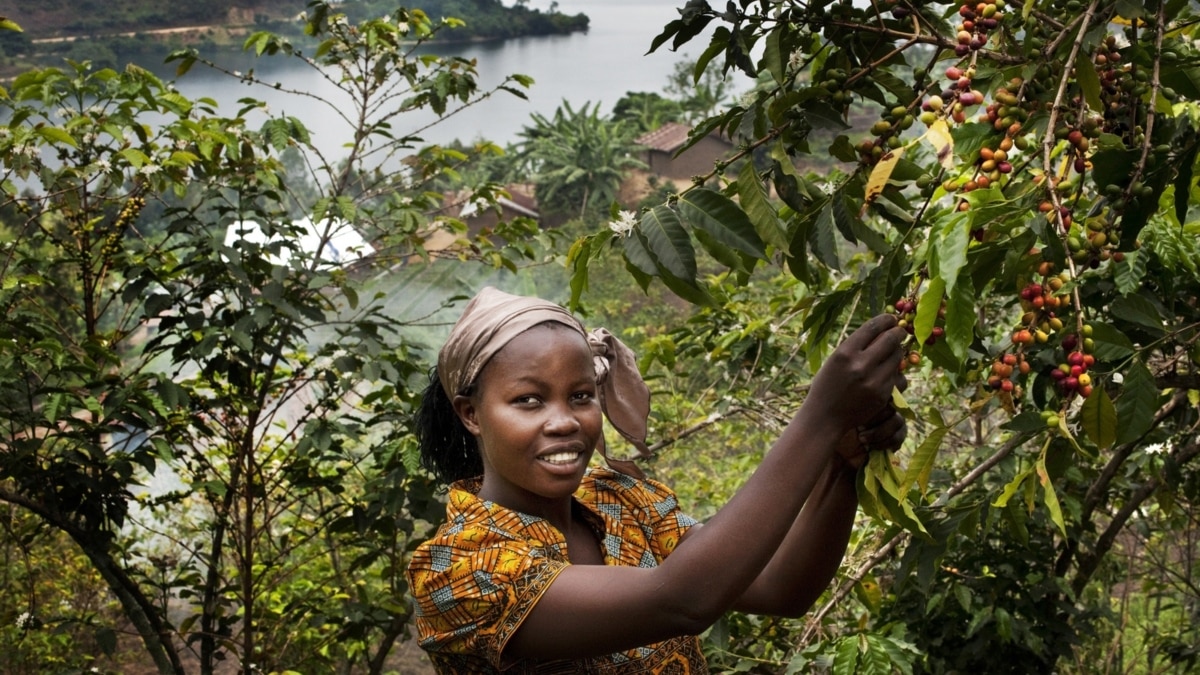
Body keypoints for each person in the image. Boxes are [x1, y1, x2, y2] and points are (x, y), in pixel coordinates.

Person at [406, 286, 908, 673]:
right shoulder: (461, 572)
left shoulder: (622, 502)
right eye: (529, 400)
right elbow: (682, 600)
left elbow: (782, 589)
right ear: (471, 414)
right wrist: (819, 417)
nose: (564, 421)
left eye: (581, 396)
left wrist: (841, 462)